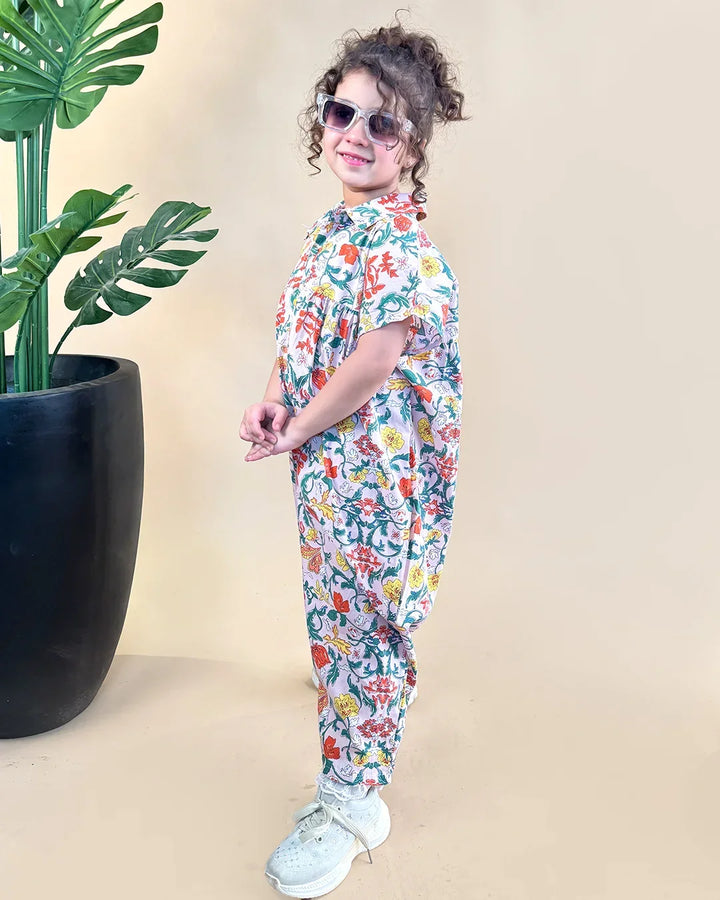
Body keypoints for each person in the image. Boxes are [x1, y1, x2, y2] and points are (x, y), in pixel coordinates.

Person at [239, 21, 467, 898]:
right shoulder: (336, 234)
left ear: (414, 146)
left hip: (378, 475)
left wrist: (297, 430)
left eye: (385, 124)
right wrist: (276, 399)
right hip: (330, 469)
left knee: (368, 626)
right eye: (344, 112)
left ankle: (353, 797)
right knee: (338, 619)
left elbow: (373, 359)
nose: (357, 135)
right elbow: (303, 334)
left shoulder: (400, 245)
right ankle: (351, 763)